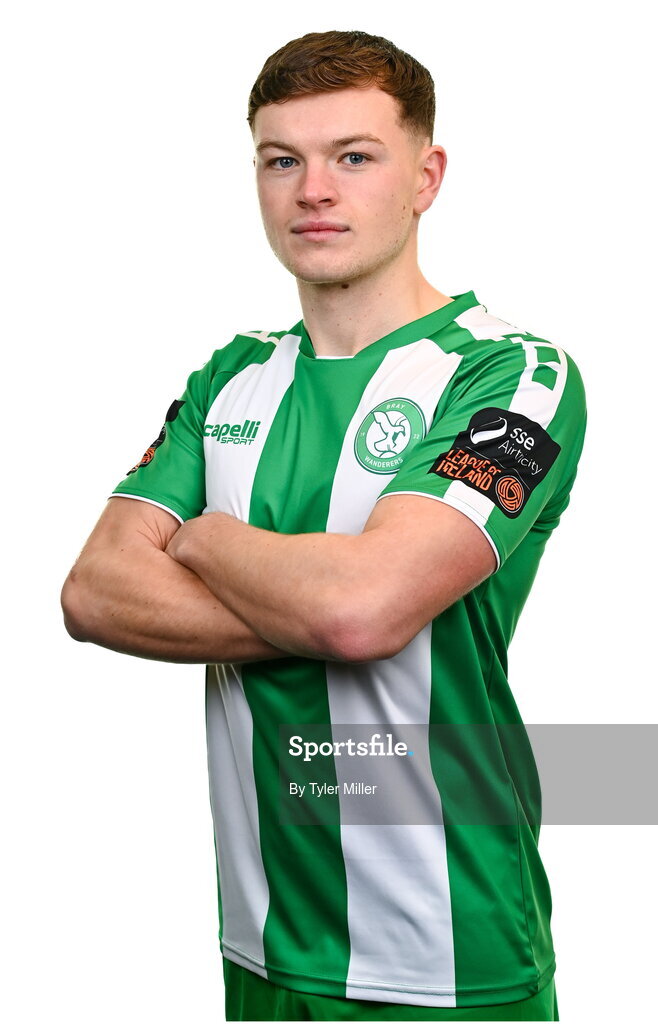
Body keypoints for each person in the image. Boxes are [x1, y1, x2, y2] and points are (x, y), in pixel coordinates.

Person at [61, 29, 585, 1022]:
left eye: (353, 156)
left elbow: (360, 613)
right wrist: (335, 598)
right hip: (260, 948)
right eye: (281, 160)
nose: (313, 189)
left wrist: (206, 536)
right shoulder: (231, 377)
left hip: (450, 955)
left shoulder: (510, 376)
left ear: (425, 176)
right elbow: (93, 593)